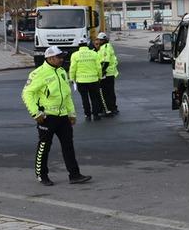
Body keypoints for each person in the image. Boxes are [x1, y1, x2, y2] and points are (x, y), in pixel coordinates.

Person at [21, 46, 92, 186]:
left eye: (62, 57)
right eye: (59, 57)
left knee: (68, 146)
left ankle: (75, 175)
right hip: (47, 117)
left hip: (63, 117)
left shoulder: (61, 72)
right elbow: (27, 93)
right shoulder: (38, 73)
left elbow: (67, 95)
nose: (62, 59)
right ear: (50, 58)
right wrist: (35, 113)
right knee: (44, 147)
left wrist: (71, 114)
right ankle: (42, 175)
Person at [69, 41, 105, 121]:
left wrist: (72, 78)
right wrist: (100, 76)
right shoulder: (94, 54)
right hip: (93, 80)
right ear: (87, 45)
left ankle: (87, 115)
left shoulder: (75, 55)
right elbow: (99, 67)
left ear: (79, 46)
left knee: (84, 99)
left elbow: (73, 68)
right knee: (94, 98)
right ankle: (96, 115)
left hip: (81, 81)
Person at [95, 32, 119, 115]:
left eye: (100, 40)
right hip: (109, 73)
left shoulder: (105, 47)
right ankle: (113, 108)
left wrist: (101, 73)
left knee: (107, 93)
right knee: (110, 92)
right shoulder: (104, 47)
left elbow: (105, 62)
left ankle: (110, 108)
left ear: (104, 40)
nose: (99, 41)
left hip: (107, 74)